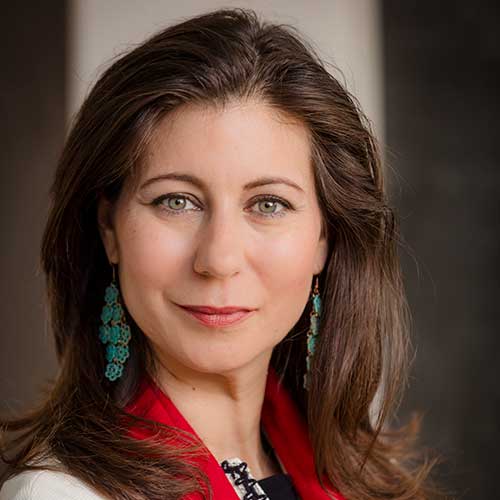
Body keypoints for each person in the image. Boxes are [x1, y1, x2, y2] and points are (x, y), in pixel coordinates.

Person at [0, 7, 446, 500]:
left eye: (269, 204)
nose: (218, 258)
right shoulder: (57, 493)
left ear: (326, 237)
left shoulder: (357, 476)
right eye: (177, 201)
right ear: (109, 227)